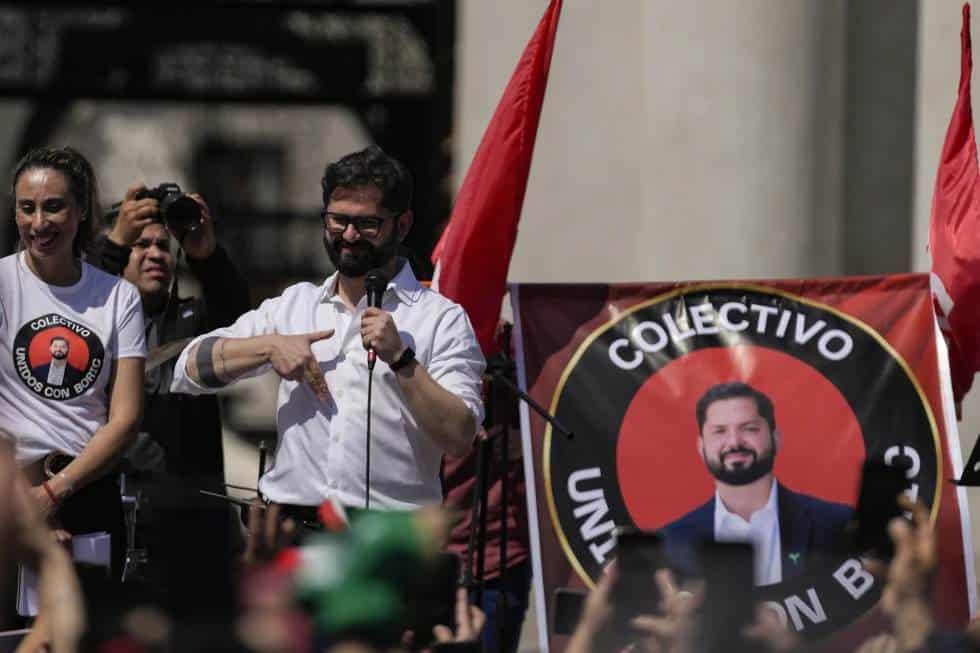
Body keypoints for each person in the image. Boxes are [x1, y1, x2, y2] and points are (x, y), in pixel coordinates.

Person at [171, 145, 484, 516]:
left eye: (367, 224)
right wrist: (270, 347)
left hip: (389, 533)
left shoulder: (442, 319)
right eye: (337, 220)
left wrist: (402, 360)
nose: (349, 235)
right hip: (293, 524)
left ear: (402, 225)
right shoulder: (295, 305)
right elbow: (188, 370)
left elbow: (460, 437)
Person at [0, 146, 146, 580]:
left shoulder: (119, 297)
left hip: (86, 492)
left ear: (81, 210)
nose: (38, 223)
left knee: (88, 618)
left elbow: (125, 418)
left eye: (53, 207)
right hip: (9, 493)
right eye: (26, 208)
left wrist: (54, 492)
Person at [88, 183, 250, 481]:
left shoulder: (193, 319)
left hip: (187, 498)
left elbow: (238, 316)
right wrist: (114, 245)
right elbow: (78, 307)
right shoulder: (95, 319)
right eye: (141, 245)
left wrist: (207, 256)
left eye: (163, 246)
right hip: (110, 489)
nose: (155, 255)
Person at [661, 381, 852, 585]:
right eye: (719, 431)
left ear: (776, 439)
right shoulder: (672, 540)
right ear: (701, 447)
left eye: (749, 429)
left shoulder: (836, 524)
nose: (734, 442)